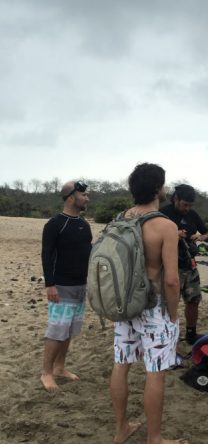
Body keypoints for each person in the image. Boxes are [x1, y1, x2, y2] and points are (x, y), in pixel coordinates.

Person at [109, 163, 183, 444]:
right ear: (158, 188)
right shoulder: (165, 225)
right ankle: (155, 438)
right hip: (153, 307)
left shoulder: (120, 218)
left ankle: (121, 428)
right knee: (155, 371)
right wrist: (173, 315)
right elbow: (172, 281)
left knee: (121, 364)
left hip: (124, 304)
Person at [40, 180, 91, 392]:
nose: (87, 198)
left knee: (69, 330)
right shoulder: (55, 224)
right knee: (57, 331)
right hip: (61, 286)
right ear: (71, 197)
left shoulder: (84, 224)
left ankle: (60, 368)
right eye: (83, 194)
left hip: (80, 285)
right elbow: (46, 255)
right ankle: (46, 372)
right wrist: (50, 285)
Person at [160, 184, 207, 345]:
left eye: (190, 205)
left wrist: (202, 237)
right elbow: (152, 237)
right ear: (175, 199)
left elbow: (206, 232)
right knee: (169, 303)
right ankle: (167, 336)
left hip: (190, 265)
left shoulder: (192, 215)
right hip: (170, 267)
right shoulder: (163, 214)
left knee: (193, 300)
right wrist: (174, 234)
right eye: (184, 204)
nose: (187, 208)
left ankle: (191, 334)